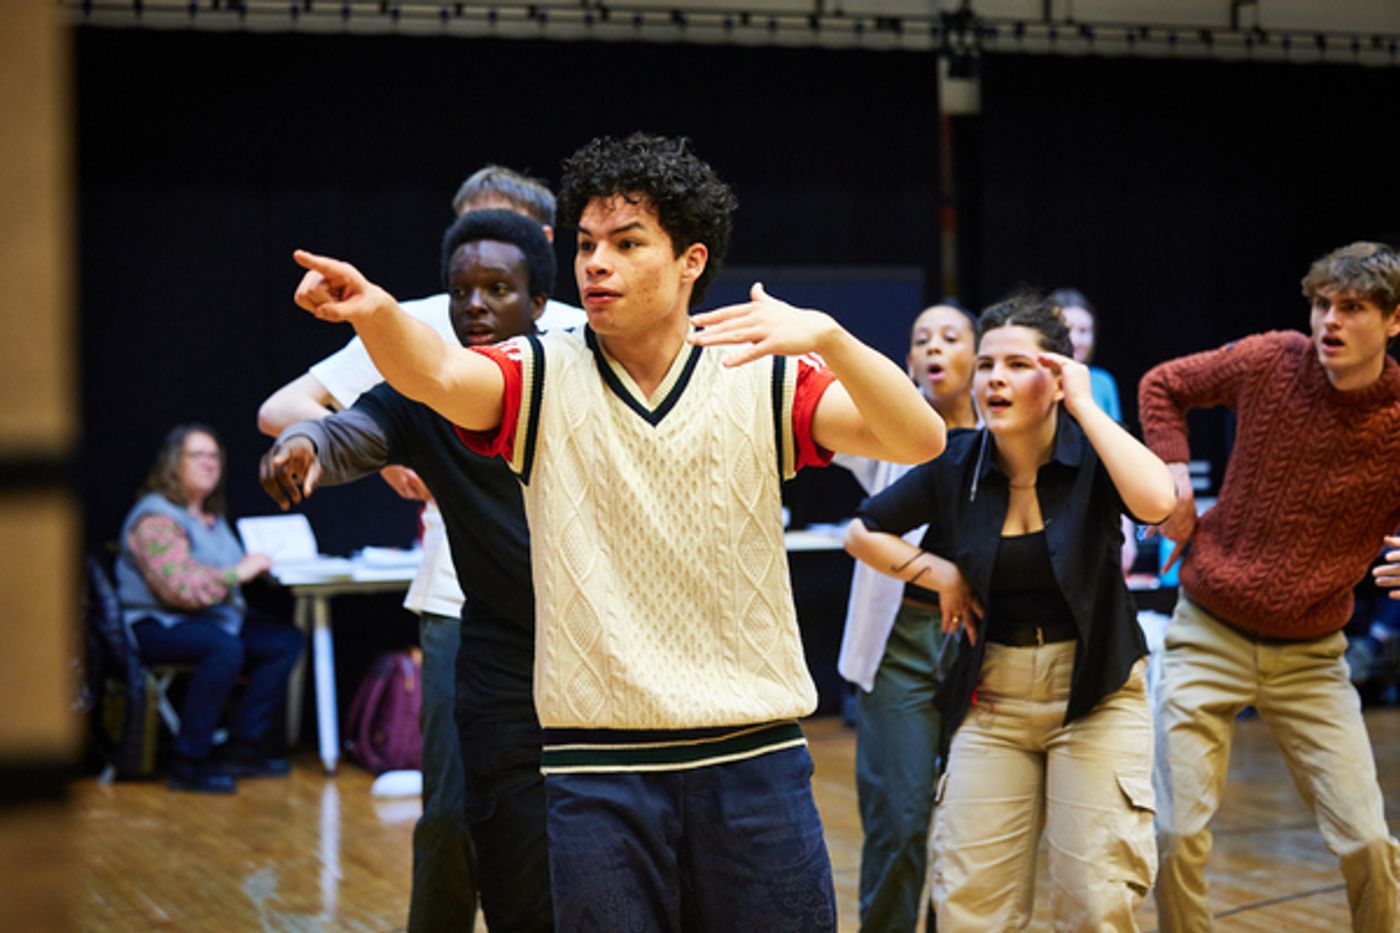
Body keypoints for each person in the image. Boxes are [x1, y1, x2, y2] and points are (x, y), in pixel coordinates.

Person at [288, 132, 946, 930]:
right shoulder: (537, 372)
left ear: (691, 261)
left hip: (754, 760)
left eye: (628, 244)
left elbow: (920, 440)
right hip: (595, 768)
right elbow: (434, 374)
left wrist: (832, 339)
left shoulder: (762, 374)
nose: (596, 263)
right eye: (588, 244)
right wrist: (376, 313)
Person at [256, 166, 582, 933]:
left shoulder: (574, 333)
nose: (475, 293)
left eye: (496, 256)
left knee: (574, 809)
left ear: (537, 257)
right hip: (460, 600)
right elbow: (297, 414)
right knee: (455, 809)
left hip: (578, 611)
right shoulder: (420, 330)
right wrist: (387, 454)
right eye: (463, 249)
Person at [846, 292, 1175, 931]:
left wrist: (1082, 403)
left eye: (1016, 365)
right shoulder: (958, 461)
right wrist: (933, 569)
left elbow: (1158, 501)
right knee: (971, 904)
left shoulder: (1091, 455)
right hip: (993, 701)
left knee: (1095, 898)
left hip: (1097, 697)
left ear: (1056, 375)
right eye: (988, 365)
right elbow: (866, 529)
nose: (994, 378)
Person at [1141, 240, 1400, 932]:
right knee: (1174, 833)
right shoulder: (1271, 358)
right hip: (1207, 631)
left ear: (1394, 321)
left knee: (1368, 841)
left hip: (1313, 657)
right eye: (1322, 304)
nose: (1330, 322)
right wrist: (1171, 473)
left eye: (1353, 307)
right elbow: (1163, 384)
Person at [833, 300, 978, 932]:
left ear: (981, 357)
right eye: (922, 339)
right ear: (910, 360)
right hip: (899, 643)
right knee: (900, 821)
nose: (935, 348)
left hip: (984, 644)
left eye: (951, 337)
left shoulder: (1010, 438)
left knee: (969, 830)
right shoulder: (891, 432)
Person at [115, 424, 303, 794]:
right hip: (154, 622)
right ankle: (188, 760)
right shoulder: (155, 517)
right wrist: (241, 570)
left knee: (284, 641)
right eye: (197, 455)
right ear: (173, 463)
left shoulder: (212, 518)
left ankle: (244, 747)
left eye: (214, 456)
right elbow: (180, 588)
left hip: (210, 618)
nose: (209, 463)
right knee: (223, 648)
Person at [1051, 287, 1122, 422]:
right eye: (1067, 330)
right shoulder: (1036, 378)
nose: (1075, 340)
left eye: (1083, 331)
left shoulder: (1103, 381)